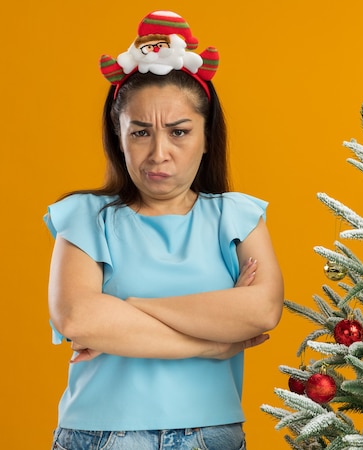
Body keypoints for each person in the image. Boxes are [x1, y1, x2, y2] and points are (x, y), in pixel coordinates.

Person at [44, 10, 284, 450]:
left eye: (179, 132)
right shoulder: (85, 217)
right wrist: (211, 342)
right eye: (139, 133)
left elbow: (262, 311)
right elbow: (78, 317)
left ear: (207, 135)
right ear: (118, 137)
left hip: (211, 435)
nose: (159, 153)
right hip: (101, 435)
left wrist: (127, 307)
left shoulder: (236, 216)